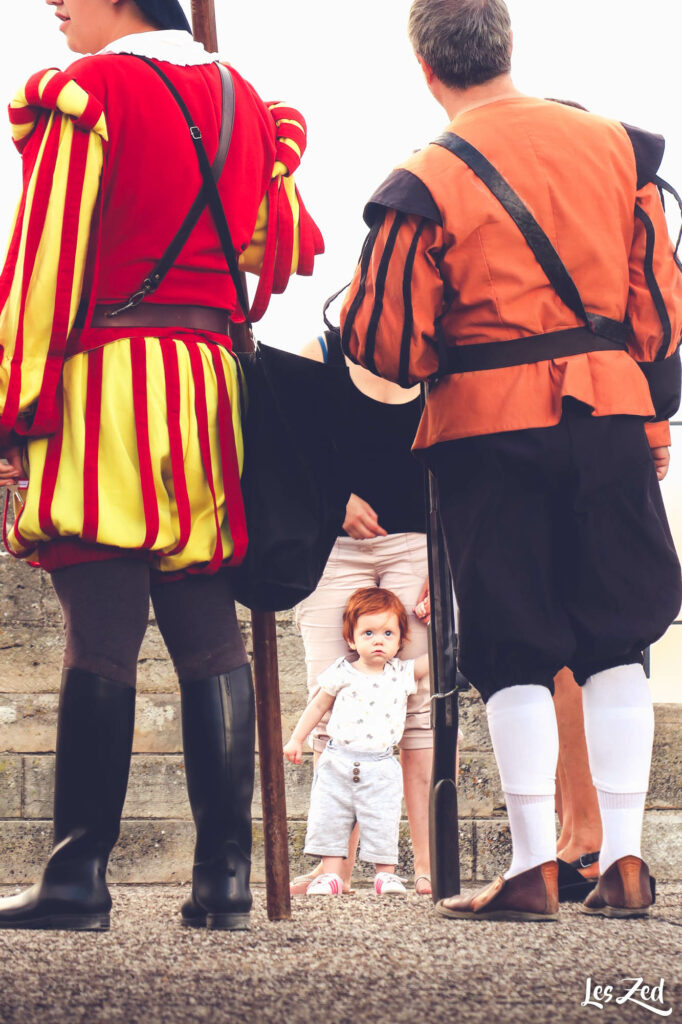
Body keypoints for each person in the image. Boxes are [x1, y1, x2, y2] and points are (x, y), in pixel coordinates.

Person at [340, 0, 682, 921]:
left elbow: (383, 343)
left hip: (487, 429)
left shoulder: (424, 178)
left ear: (426, 68)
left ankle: (532, 866)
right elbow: (659, 308)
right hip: (609, 409)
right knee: (620, 638)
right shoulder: (620, 148)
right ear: (508, 47)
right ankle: (625, 862)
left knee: (513, 642)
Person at [0, 0, 323, 931]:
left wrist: (14, 402)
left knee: (100, 631)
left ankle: (76, 879)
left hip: (107, 382)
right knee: (207, 631)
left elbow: (43, 261)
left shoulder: (91, 92)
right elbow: (277, 254)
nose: (53, 5)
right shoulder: (241, 99)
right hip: (206, 388)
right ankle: (222, 884)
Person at [292, 326, 435, 896]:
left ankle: (426, 866)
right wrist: (335, 499)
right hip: (332, 549)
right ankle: (335, 869)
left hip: (418, 548)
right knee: (330, 708)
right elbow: (283, 448)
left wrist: (449, 560)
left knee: (418, 706)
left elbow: (466, 461)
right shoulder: (320, 355)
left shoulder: (440, 357)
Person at [284, 587, 430, 896]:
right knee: (331, 816)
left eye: (388, 633)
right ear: (351, 639)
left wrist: (445, 628)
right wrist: (297, 738)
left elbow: (433, 661)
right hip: (337, 759)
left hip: (380, 763)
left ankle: (386, 875)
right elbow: (318, 706)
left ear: (401, 639)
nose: (379, 640)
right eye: (368, 633)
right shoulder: (342, 672)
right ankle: (332, 876)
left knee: (382, 818)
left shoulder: (401, 673)